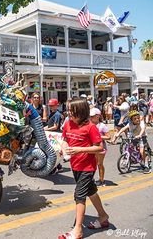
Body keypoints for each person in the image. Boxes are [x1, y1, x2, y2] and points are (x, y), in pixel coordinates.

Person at [59, 99, 109, 239]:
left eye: (72, 111)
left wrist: (79, 149)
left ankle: (78, 230)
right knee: (91, 191)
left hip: (87, 167)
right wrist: (64, 149)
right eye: (68, 110)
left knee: (79, 195)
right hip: (75, 165)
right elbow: (65, 139)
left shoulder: (91, 127)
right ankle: (103, 216)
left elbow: (99, 147)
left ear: (81, 112)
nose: (69, 114)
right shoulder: (68, 124)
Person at [90, 108, 110, 186]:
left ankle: (101, 180)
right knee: (92, 164)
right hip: (91, 147)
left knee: (99, 163)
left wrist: (98, 137)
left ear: (98, 116)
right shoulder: (89, 124)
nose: (90, 118)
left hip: (101, 148)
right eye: (90, 116)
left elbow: (108, 137)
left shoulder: (102, 126)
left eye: (92, 116)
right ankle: (91, 179)